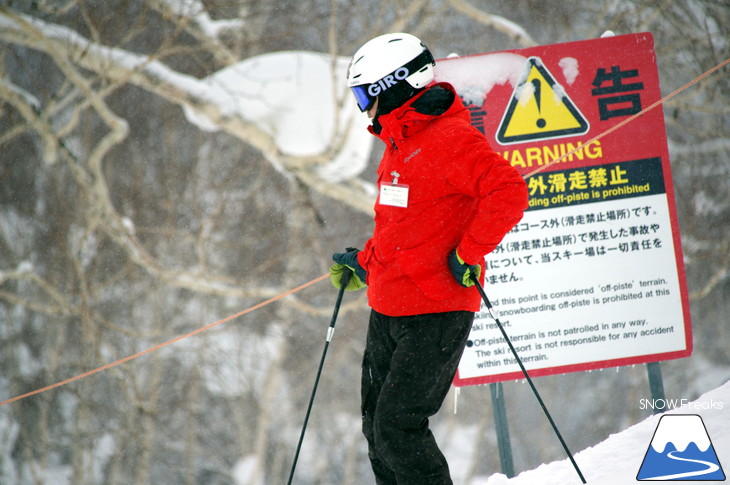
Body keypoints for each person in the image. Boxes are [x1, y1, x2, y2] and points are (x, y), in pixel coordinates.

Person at [330, 32, 528, 485]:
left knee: (397, 428)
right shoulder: (398, 143)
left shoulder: (450, 138)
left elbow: (509, 191)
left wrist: (469, 252)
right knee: (376, 430)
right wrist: (365, 262)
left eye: (365, 95)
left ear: (394, 86)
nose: (364, 107)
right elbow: (406, 225)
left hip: (436, 308)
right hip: (389, 305)